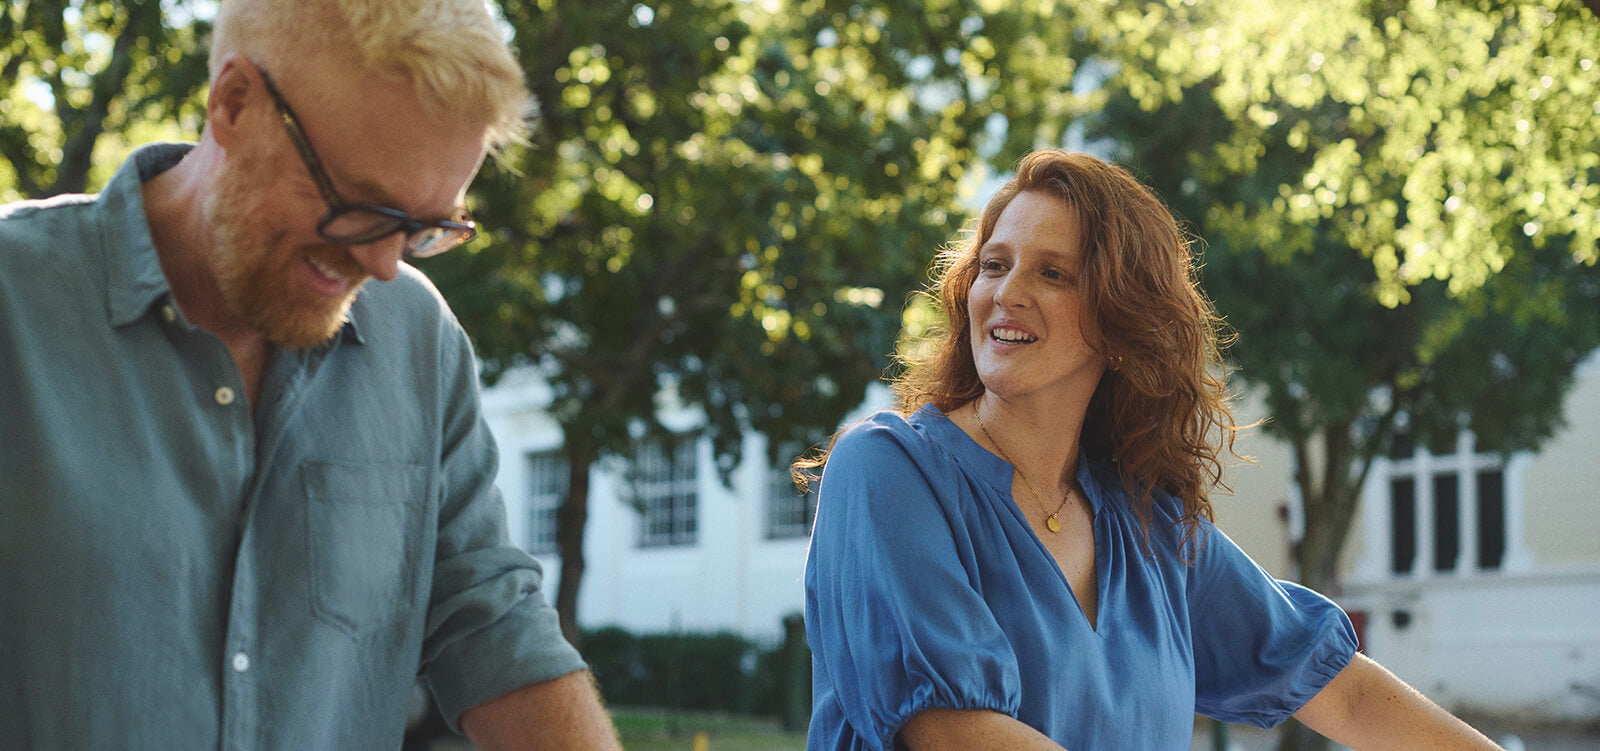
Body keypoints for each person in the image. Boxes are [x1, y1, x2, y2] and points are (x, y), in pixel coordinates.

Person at [0, 1, 621, 748]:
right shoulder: (16, 305)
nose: (384, 263)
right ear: (234, 104)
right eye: (361, 207)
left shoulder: (418, 337)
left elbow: (493, 629)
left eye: (427, 227)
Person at [800, 149, 1503, 750]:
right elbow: (956, 730)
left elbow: (1341, 692)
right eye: (993, 264)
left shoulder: (1150, 527)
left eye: (1053, 273)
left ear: (1118, 317)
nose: (1006, 293)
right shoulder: (889, 469)